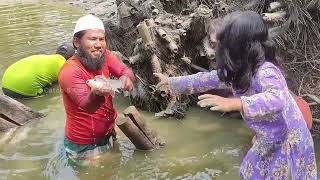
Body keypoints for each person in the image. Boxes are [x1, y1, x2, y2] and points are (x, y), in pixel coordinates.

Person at [154, 11, 317, 179]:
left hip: (288, 141)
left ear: (239, 48)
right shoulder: (238, 70)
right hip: (269, 136)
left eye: (224, 45)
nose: (219, 50)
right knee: (250, 172)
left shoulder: (266, 71)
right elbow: (206, 79)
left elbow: (277, 98)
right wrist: (172, 82)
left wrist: (236, 103)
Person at [58, 14, 135, 165]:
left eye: (102, 39)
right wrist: (97, 93)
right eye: (93, 39)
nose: (99, 44)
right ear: (77, 42)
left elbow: (125, 70)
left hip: (109, 133)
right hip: (84, 145)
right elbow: (87, 106)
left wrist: (126, 78)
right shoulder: (69, 71)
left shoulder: (105, 56)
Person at [1, 43, 74, 99]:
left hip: (5, 85)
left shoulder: (45, 57)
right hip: (21, 91)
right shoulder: (65, 65)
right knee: (55, 89)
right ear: (71, 58)